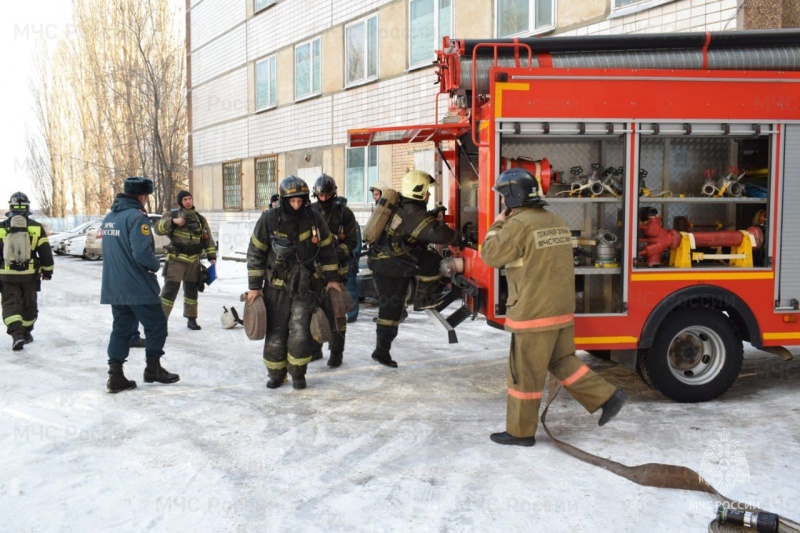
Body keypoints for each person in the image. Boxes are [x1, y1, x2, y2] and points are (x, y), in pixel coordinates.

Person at [480, 168, 626, 446]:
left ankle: (520, 432)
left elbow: (491, 255)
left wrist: (497, 224)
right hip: (560, 310)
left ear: (512, 198)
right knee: (562, 362)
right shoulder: (554, 220)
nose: (501, 202)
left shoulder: (518, 225)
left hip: (533, 313)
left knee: (524, 373)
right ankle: (607, 397)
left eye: (502, 197)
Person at [245, 176, 341, 389]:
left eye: (300, 200)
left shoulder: (315, 219)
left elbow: (327, 251)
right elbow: (255, 253)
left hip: (305, 288)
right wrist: (254, 287)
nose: (296, 205)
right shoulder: (268, 220)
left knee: (300, 332)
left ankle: (298, 373)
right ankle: (276, 374)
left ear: (306, 199)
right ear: (283, 199)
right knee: (276, 332)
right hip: (275, 288)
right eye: (292, 201)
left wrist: (332, 279)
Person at [367, 170, 456, 368]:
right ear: (418, 191)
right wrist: (459, 237)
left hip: (388, 263)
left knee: (392, 308)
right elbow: (437, 234)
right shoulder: (412, 211)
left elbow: (415, 227)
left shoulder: (405, 206)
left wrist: (433, 215)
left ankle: (382, 351)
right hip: (391, 267)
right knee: (391, 309)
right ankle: (381, 351)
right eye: (427, 191)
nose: (429, 195)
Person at [101, 177, 179, 393]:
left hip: (114, 285)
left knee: (121, 329)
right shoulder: (137, 219)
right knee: (157, 325)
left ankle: (115, 375)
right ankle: (153, 369)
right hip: (137, 285)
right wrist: (155, 265)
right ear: (142, 196)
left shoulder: (109, 218)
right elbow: (142, 252)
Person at [309, 174, 359, 367]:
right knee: (313, 310)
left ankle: (336, 353)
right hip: (314, 272)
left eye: (327, 195)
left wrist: (336, 253)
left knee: (337, 313)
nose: (323, 199)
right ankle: (315, 348)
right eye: (320, 196)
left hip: (338, 271)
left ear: (333, 193)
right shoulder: (310, 212)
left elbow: (352, 242)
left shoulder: (345, 214)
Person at [155, 190, 216, 330]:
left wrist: (211, 256)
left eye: (189, 199)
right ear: (180, 202)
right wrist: (173, 222)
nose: (188, 201)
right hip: (176, 260)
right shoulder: (172, 215)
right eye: (185, 200)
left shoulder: (200, 219)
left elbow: (208, 239)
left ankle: (191, 319)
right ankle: (160, 321)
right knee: (169, 292)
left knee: (191, 292)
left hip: (194, 261)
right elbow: (157, 228)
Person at [0, 192, 54, 350]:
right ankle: (27, 332)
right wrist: (47, 271)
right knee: (29, 304)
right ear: (28, 207)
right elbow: (45, 252)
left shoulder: (2, 227)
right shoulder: (36, 227)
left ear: (10, 207)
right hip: (30, 275)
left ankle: (17, 334)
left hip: (7, 276)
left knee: (11, 304)